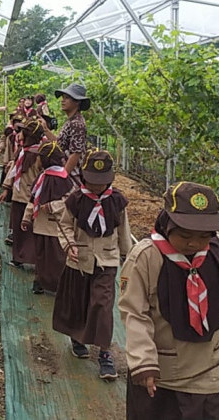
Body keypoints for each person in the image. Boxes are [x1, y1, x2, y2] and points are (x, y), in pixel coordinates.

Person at [119, 182, 219, 420]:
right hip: (168, 371)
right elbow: (134, 312)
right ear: (167, 223)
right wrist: (144, 362)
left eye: (203, 236)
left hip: (216, 366)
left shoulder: (216, 247)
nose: (195, 243)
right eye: (185, 235)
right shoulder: (146, 257)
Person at [51, 149, 132, 380]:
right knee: (79, 301)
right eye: (93, 182)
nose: (97, 187)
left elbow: (124, 231)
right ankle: (77, 337)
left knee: (102, 304)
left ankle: (105, 354)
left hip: (107, 261)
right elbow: (64, 226)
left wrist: (128, 257)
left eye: (102, 183)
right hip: (80, 260)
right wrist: (69, 246)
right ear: (85, 176)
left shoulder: (117, 201)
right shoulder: (75, 199)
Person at [21, 141, 75, 294]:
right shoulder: (42, 178)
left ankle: (59, 285)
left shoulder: (65, 180)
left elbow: (69, 201)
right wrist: (27, 217)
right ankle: (39, 281)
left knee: (58, 258)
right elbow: (33, 199)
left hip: (57, 228)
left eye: (39, 157)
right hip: (40, 225)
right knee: (41, 256)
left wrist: (53, 206)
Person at [0, 118, 44, 267]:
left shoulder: (40, 155)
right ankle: (18, 257)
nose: (20, 136)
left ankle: (32, 258)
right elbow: (14, 171)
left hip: (31, 198)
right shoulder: (22, 152)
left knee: (31, 229)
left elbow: (42, 176)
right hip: (18, 196)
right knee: (18, 229)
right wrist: (7, 189)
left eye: (23, 133)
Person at [43, 83, 89, 181]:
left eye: (67, 98)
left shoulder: (77, 124)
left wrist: (64, 176)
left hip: (72, 177)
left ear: (77, 102)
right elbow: (60, 144)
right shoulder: (71, 121)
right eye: (63, 97)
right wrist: (45, 129)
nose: (63, 101)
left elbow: (75, 154)